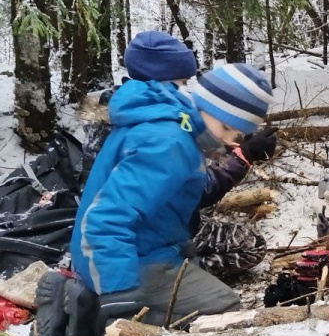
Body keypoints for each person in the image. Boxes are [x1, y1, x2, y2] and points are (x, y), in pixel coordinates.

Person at [34, 58, 274, 336]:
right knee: (224, 313)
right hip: (132, 260)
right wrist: (117, 294)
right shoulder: (168, 145)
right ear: (217, 111)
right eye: (231, 130)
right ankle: (90, 324)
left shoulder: (173, 124)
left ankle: (84, 302)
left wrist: (242, 157)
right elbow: (104, 220)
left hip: (150, 249)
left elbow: (181, 192)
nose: (230, 142)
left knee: (208, 297)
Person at [85, 31, 278, 277]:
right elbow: (195, 191)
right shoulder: (152, 125)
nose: (185, 90)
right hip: (143, 236)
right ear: (163, 80)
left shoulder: (130, 107)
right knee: (252, 246)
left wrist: (226, 146)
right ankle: (167, 277)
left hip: (130, 227)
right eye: (182, 83)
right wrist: (244, 157)